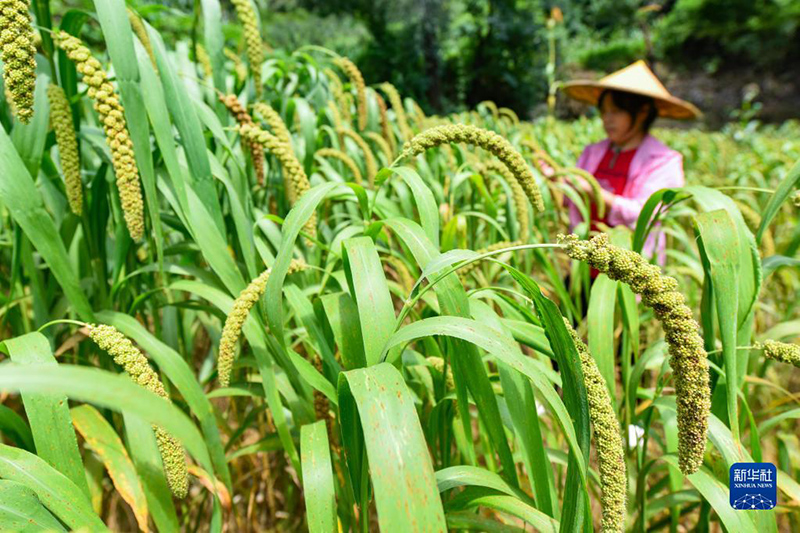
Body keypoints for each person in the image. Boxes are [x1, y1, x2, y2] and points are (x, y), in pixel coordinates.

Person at [559, 60, 701, 257]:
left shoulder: (664, 161)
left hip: (629, 269)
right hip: (583, 264)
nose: (607, 119)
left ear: (642, 112)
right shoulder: (592, 152)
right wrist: (555, 181)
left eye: (616, 111)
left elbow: (646, 215)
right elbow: (568, 201)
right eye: (604, 111)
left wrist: (595, 192)